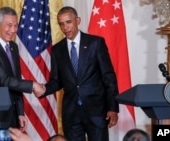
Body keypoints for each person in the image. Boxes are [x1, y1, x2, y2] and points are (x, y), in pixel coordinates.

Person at [34, 6, 119, 141]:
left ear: (77, 21)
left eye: (68, 22)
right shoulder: (57, 49)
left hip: (96, 111)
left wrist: (113, 107)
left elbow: (108, 76)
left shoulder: (95, 43)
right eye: (61, 24)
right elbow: (57, 81)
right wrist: (44, 89)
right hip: (71, 114)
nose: (65, 27)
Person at [0, 7, 44, 132]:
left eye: (15, 26)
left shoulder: (13, 47)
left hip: (12, 116)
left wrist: (20, 112)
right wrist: (33, 85)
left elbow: (16, 80)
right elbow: (4, 80)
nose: (13, 30)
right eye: (9, 25)